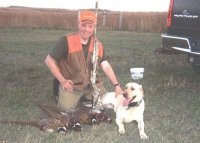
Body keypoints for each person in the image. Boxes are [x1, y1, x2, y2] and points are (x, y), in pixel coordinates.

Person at [45, 10, 123, 112]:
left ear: (94, 27)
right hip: (72, 85)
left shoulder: (97, 45)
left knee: (105, 101)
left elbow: (105, 65)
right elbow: (49, 60)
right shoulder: (66, 41)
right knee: (66, 109)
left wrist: (116, 85)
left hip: (91, 84)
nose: (86, 29)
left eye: (90, 26)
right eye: (84, 25)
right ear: (78, 24)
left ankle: (85, 97)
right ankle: (59, 91)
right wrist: (63, 81)